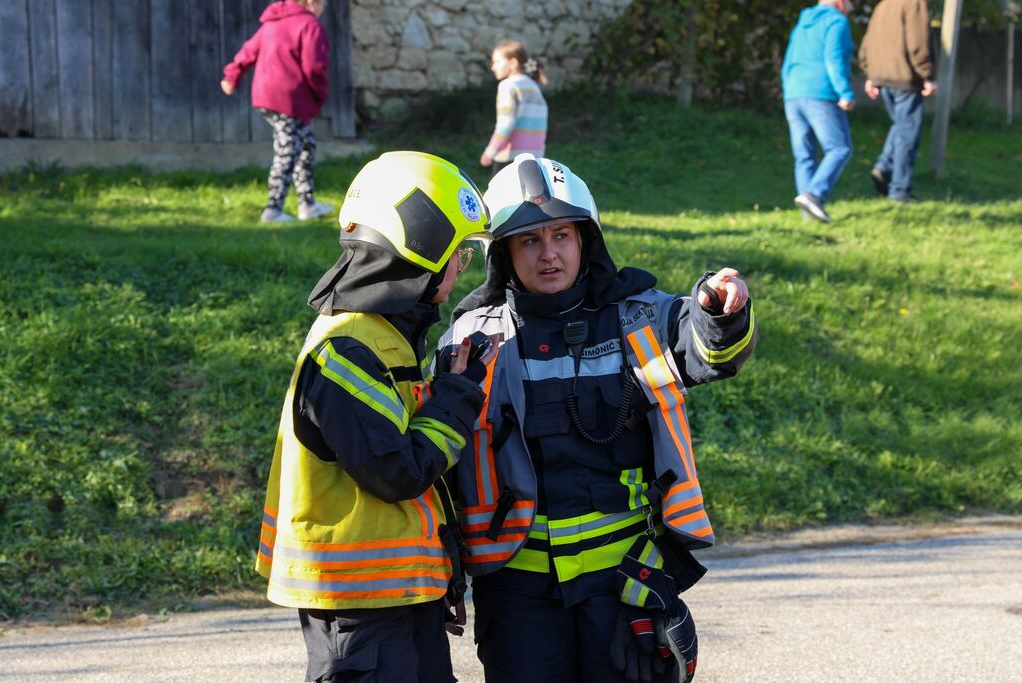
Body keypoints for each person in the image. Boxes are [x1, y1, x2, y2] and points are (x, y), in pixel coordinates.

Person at [435, 155, 758, 683]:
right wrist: (445, 571)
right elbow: (441, 464)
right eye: (529, 240)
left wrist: (720, 311)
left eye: (561, 235)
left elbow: (712, 352)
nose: (549, 254)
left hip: (626, 586)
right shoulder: (470, 338)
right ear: (502, 254)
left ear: (586, 239)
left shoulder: (641, 317)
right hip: (518, 596)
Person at [255, 151, 496, 682]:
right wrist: (457, 396)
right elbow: (397, 471)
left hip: (393, 598)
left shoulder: (384, 338)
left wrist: (437, 575)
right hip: (361, 609)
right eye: (458, 252)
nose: (461, 267)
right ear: (423, 246)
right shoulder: (348, 347)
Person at [221, 0, 334, 223]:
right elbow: (314, 67)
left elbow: (248, 51)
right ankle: (273, 210)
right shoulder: (309, 25)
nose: (324, 8)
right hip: (289, 99)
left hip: (266, 96)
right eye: (323, 3)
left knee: (306, 145)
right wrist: (320, 93)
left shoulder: (272, 23)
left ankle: (307, 204)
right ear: (312, 2)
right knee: (287, 151)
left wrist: (232, 75)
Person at [780, 0, 857, 224]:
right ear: (840, 2)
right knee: (840, 148)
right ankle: (814, 194)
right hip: (821, 93)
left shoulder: (803, 21)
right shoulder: (836, 21)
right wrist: (845, 92)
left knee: (804, 156)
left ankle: (810, 217)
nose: (851, 7)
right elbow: (834, 57)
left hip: (794, 94)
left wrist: (788, 89)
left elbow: (788, 60)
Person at [859, 0, 938, 203]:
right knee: (908, 136)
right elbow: (918, 41)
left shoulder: (883, 5)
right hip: (905, 78)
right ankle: (899, 190)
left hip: (883, 77)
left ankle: (884, 167)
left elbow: (868, 42)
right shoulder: (914, 3)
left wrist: (871, 73)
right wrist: (927, 75)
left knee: (901, 127)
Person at [480, 40, 549, 178]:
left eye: (497, 62)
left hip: (509, 157)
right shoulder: (533, 86)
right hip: (534, 158)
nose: (493, 67)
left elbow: (506, 123)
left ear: (513, 63)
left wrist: (490, 152)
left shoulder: (507, 86)